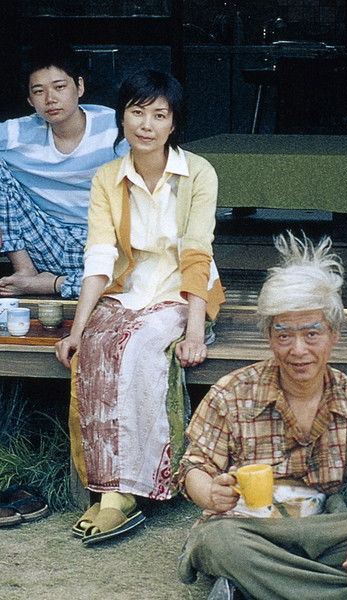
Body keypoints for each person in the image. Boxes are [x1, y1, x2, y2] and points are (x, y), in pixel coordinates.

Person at [176, 233, 347, 600]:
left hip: (323, 527)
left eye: (312, 333)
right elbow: (194, 467)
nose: (298, 349)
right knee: (218, 541)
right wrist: (211, 494)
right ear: (268, 336)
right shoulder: (232, 393)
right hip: (251, 529)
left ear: (334, 334)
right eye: (284, 335)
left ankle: (251, 588)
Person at [55, 69, 226, 545]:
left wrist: (195, 333)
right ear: (122, 117)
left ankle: (135, 487)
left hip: (181, 291)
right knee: (94, 349)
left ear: (174, 123)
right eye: (137, 112)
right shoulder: (108, 177)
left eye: (159, 115)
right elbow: (99, 257)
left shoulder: (198, 172)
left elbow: (198, 252)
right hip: (127, 288)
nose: (146, 124)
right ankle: (108, 488)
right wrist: (77, 329)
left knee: (136, 348)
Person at [0, 44, 127, 298]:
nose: (50, 99)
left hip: (103, 245)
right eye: (39, 91)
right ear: (29, 100)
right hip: (44, 240)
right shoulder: (17, 133)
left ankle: (51, 284)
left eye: (59, 87)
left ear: (79, 87)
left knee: (138, 278)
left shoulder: (115, 128)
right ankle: (24, 271)